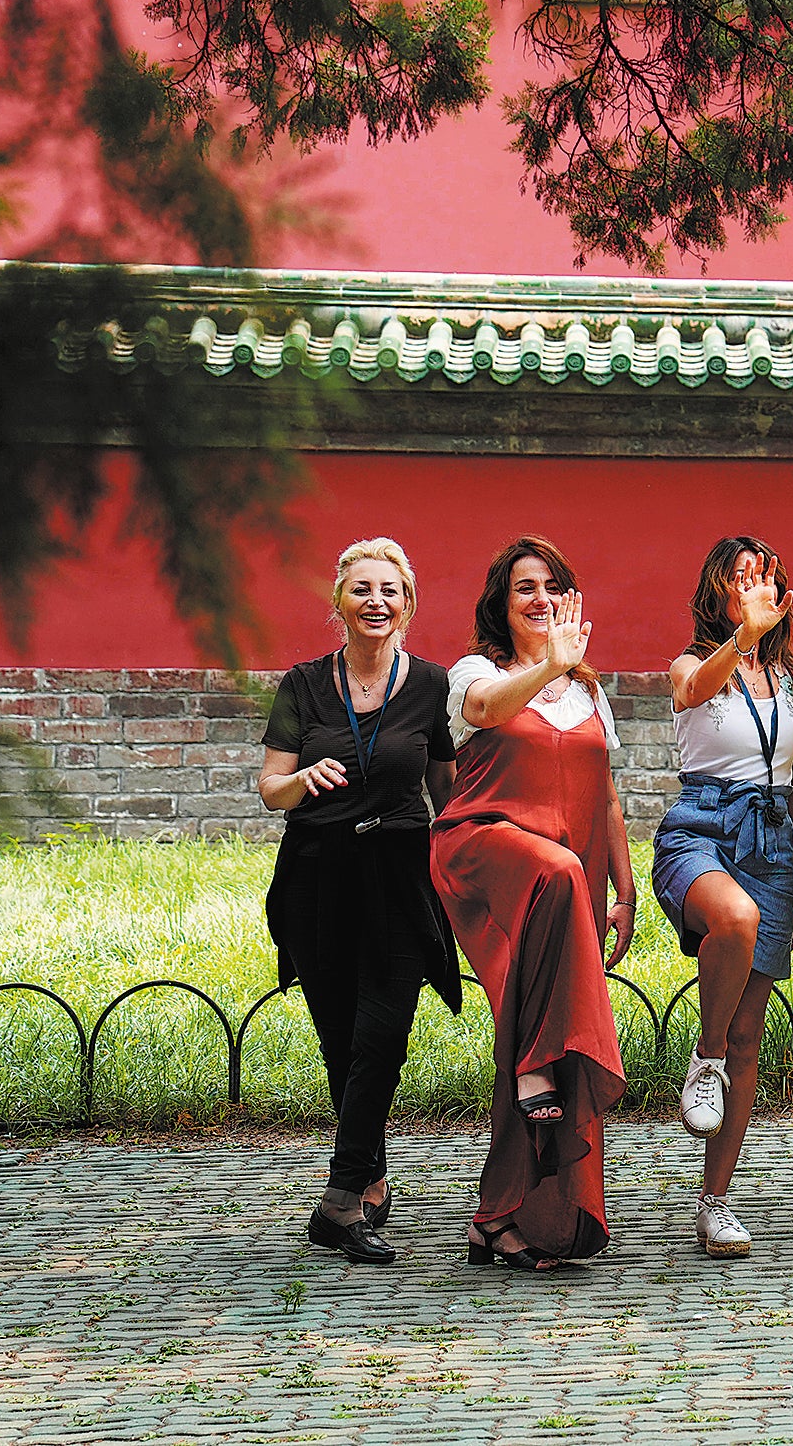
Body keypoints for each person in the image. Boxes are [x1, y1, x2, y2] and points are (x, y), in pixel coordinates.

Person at [258, 537, 463, 1266]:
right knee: (342, 1042)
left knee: (384, 1035)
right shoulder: (305, 684)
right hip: (318, 873)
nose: (376, 602)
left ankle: (340, 1202)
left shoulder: (432, 686)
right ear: (338, 604)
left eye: (391, 591)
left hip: (401, 873)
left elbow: (446, 791)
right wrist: (302, 777)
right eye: (361, 589)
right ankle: (369, 1184)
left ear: (408, 606)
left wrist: (473, 863)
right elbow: (270, 786)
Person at [430, 536, 633, 1271]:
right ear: (501, 603)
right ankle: (533, 1070)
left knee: (541, 1044)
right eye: (524, 587)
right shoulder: (475, 672)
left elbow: (606, 795)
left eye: (553, 585)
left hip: (569, 889)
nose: (540, 598)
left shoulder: (589, 691)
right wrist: (548, 663)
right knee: (552, 870)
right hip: (489, 859)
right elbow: (484, 711)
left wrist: (627, 888)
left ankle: (501, 1219)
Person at [655, 537, 793, 1260]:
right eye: (738, 577)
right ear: (716, 592)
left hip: (774, 839)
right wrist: (740, 638)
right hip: (703, 828)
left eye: (764, 577)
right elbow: (692, 691)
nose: (752, 587)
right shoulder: (694, 662)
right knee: (733, 919)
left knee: (754, 1035)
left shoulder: (789, 675)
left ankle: (715, 1204)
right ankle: (703, 1058)